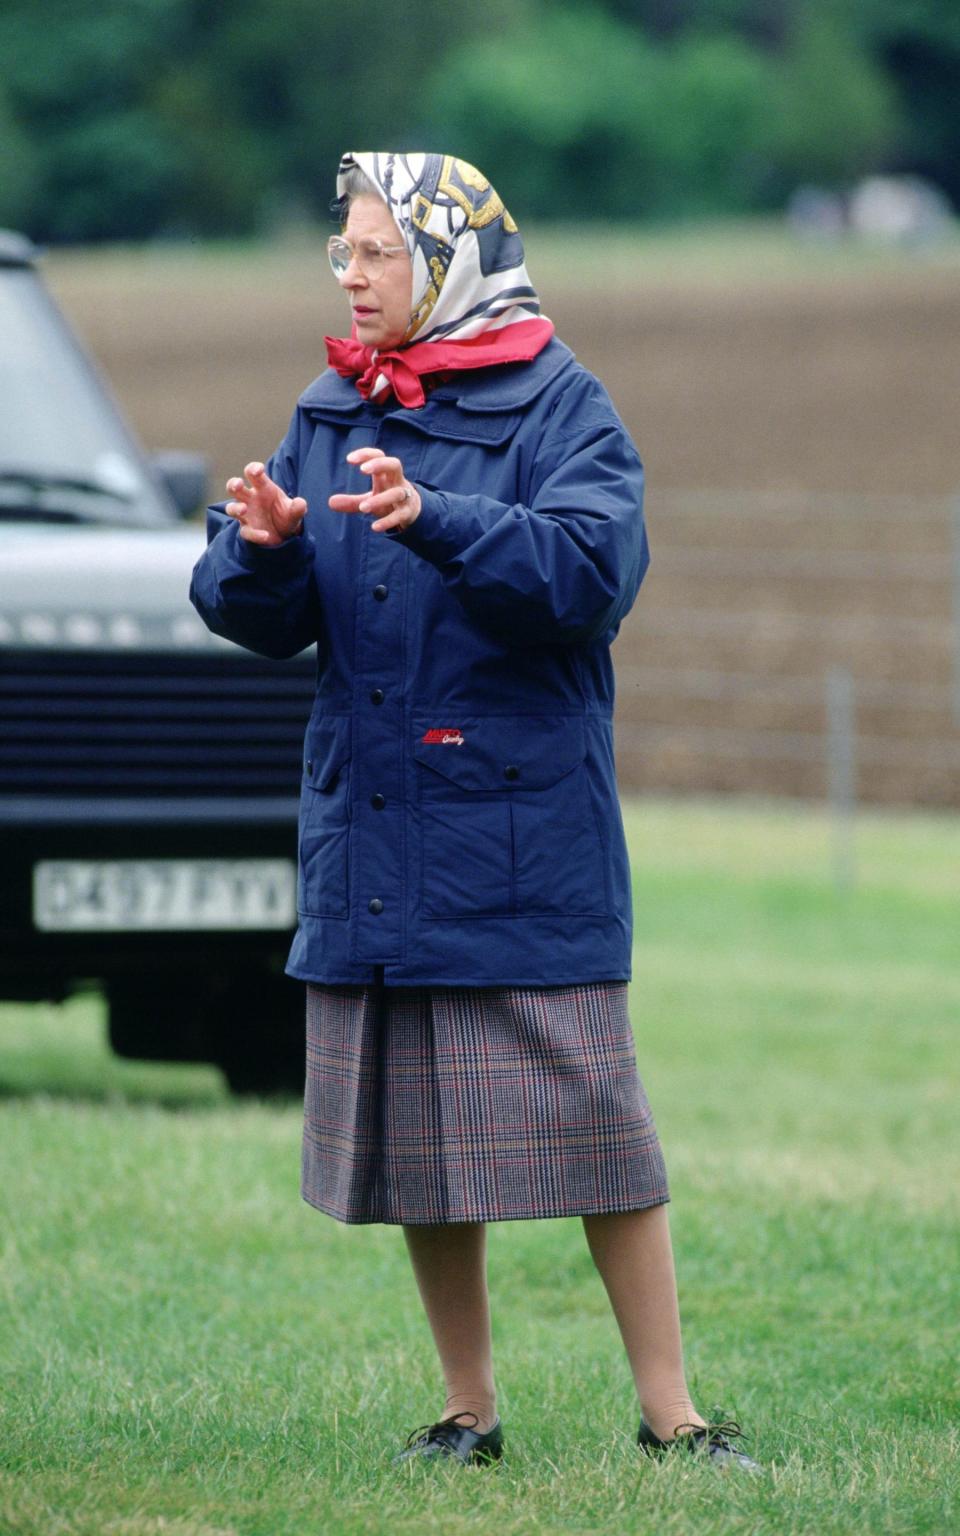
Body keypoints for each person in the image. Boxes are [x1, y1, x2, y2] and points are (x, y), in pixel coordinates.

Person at [190, 151, 758, 1472]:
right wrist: (259, 551)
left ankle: (672, 1416)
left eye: (377, 251)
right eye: (344, 249)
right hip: (378, 835)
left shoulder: (559, 402)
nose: (351, 270)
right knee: (421, 1149)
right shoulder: (331, 406)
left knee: (601, 1138)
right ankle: (467, 1411)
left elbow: (589, 575)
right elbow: (262, 617)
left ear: (449, 259)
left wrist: (439, 517)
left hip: (520, 841)